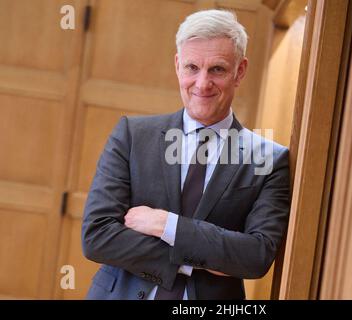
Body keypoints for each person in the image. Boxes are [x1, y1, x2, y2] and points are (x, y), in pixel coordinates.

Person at [82, 9, 291, 300]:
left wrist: (165, 225)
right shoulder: (132, 135)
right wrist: (202, 259)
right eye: (192, 67)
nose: (202, 84)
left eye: (217, 69)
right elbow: (97, 237)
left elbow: (255, 256)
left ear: (239, 71)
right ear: (178, 66)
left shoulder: (269, 159)